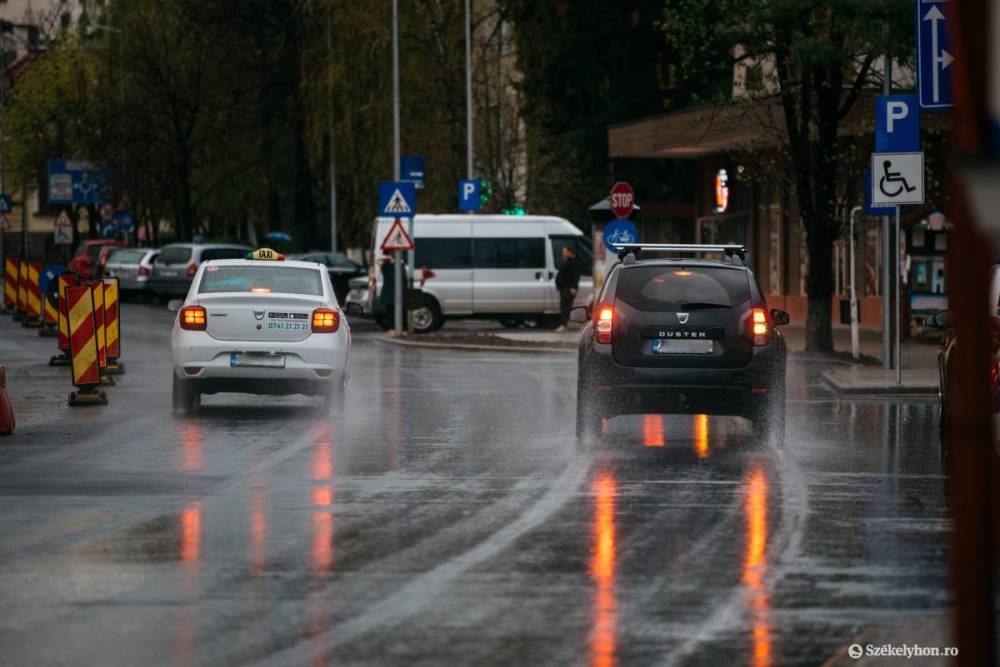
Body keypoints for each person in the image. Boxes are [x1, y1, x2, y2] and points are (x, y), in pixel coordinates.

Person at [554, 245, 581, 333]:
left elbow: (576, 276)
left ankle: (564, 325)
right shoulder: (568, 262)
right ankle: (564, 324)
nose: (563, 253)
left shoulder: (574, 263)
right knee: (563, 306)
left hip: (568, 288)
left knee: (566, 307)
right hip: (564, 288)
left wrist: (574, 287)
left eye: (564, 252)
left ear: (569, 252)